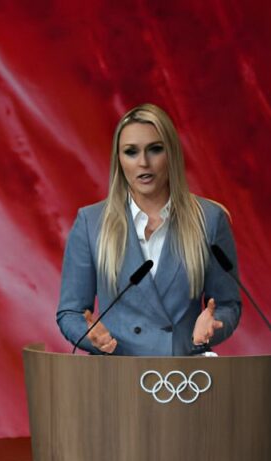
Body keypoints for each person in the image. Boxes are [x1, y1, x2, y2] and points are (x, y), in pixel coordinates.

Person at [57, 103, 241, 356]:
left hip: (183, 378)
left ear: (172, 154)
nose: (143, 162)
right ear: (119, 160)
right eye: (131, 152)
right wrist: (90, 337)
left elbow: (228, 304)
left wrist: (213, 327)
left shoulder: (209, 219)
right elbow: (71, 312)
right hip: (115, 377)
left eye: (155, 149)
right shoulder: (91, 222)